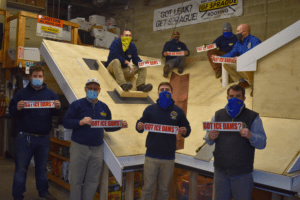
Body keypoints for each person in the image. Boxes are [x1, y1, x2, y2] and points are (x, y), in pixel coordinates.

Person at [62, 78, 128, 200]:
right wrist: (80, 122)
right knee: (76, 181)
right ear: (85, 89)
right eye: (90, 88)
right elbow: (66, 122)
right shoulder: (77, 105)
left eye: (95, 89)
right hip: (79, 148)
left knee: (92, 181)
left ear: (99, 90)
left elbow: (107, 127)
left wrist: (119, 125)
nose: (92, 91)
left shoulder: (104, 107)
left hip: (97, 149)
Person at [204, 84, 267, 200]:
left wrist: (251, 135)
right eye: (231, 96)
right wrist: (210, 136)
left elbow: (262, 143)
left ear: (244, 98)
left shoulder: (253, 117)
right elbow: (208, 140)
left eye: (238, 96)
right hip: (220, 171)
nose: (234, 99)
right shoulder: (218, 115)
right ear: (227, 98)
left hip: (242, 174)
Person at [9, 64, 61, 200]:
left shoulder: (50, 94)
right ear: (30, 77)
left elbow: (56, 113)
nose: (38, 78)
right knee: (21, 169)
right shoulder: (21, 93)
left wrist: (57, 107)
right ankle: (17, 195)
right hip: (25, 138)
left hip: (43, 138)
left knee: (42, 168)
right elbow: (12, 112)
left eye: (40, 76)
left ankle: (43, 192)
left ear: (43, 78)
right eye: (35, 76)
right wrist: (17, 108)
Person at [136, 82, 191, 200]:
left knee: (164, 189)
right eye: (162, 89)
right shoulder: (150, 109)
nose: (164, 91)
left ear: (171, 93)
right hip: (151, 156)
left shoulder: (178, 111)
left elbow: (187, 128)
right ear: (158, 92)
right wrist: (139, 126)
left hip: (168, 157)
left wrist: (185, 131)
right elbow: (140, 123)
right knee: (147, 188)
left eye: (167, 89)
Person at [213, 24, 261, 96]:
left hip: (254, 68)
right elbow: (231, 54)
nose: (236, 33)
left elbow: (257, 56)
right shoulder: (238, 43)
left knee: (245, 64)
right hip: (243, 66)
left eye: (238, 31)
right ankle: (243, 82)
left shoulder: (255, 41)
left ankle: (254, 87)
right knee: (226, 64)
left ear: (244, 32)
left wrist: (241, 59)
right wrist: (219, 58)